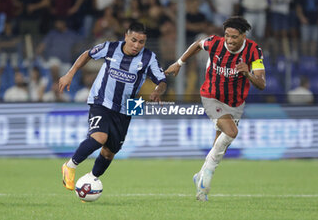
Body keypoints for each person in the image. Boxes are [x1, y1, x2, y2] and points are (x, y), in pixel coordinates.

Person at [165, 16, 266, 201]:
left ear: (243, 36)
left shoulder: (254, 51)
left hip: (236, 103)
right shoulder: (215, 43)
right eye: (227, 35)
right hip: (211, 96)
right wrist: (179, 63)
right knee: (232, 131)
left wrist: (248, 74)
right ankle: (206, 178)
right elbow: (197, 45)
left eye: (234, 37)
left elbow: (261, 83)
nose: (229, 40)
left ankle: (200, 176)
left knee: (221, 143)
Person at [59, 22, 167, 191]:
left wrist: (158, 90)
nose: (137, 45)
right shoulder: (110, 48)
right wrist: (69, 74)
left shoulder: (149, 57)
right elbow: (87, 54)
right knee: (99, 137)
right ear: (125, 36)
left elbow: (162, 81)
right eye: (133, 40)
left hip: (129, 106)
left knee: (110, 152)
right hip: (101, 100)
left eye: (141, 42)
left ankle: (91, 180)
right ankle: (70, 166)